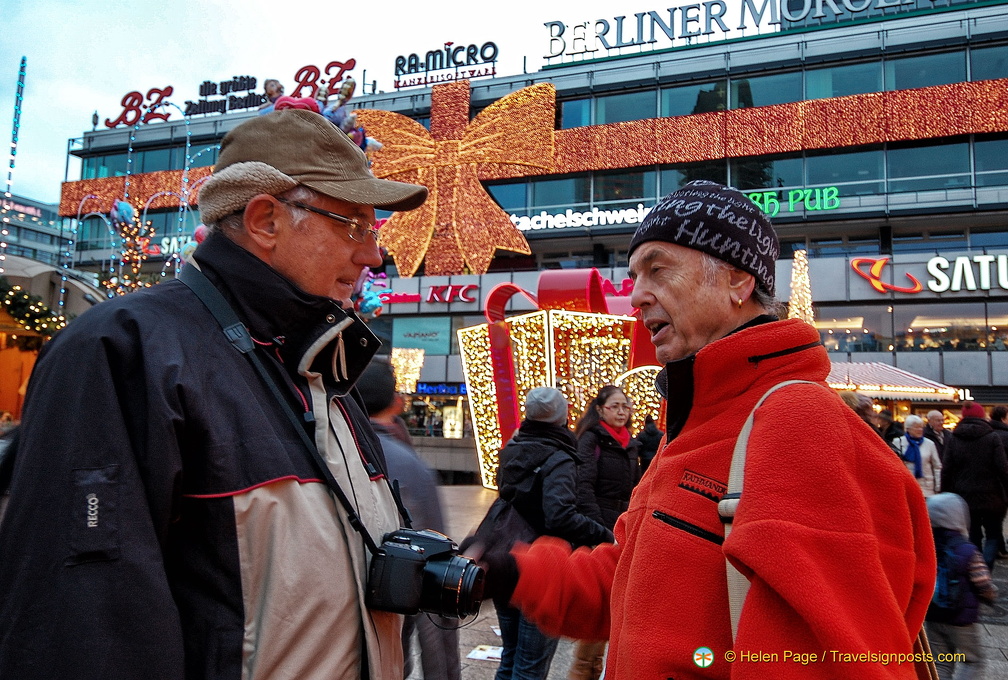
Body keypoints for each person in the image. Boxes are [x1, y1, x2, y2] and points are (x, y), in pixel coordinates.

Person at [0, 108, 429, 679]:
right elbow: (79, 627)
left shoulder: (320, 366)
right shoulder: (124, 350)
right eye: (353, 224)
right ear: (265, 220)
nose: (373, 254)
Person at [478, 180, 935, 679]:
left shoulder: (800, 424)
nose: (635, 296)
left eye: (657, 270)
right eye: (634, 277)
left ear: (737, 282)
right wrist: (512, 571)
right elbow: (631, 582)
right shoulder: (695, 426)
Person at [494, 387, 612, 680]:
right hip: (541, 563)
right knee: (530, 666)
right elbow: (560, 514)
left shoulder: (512, 446)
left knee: (509, 657)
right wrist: (603, 534)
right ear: (562, 415)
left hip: (506, 557)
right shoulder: (559, 456)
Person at [357, 358, 461, 680]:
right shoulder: (409, 466)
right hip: (387, 641)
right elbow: (435, 580)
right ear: (395, 402)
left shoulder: (320, 452)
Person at [568, 385, 641, 680]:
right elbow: (583, 487)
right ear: (600, 410)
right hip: (600, 533)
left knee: (611, 614)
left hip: (622, 530)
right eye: (615, 406)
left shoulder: (630, 444)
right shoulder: (591, 439)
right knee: (598, 615)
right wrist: (600, 530)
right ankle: (584, 672)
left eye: (626, 406)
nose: (622, 411)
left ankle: (593, 668)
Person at [924, 493, 997, 680]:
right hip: (961, 620)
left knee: (941, 662)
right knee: (972, 661)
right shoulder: (967, 550)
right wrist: (990, 595)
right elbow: (982, 582)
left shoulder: (927, 547)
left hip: (933, 617)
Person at [942, 401, 1008, 573]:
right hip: (992, 496)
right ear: (981, 416)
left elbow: (947, 469)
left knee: (973, 536)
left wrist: (945, 493)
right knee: (993, 535)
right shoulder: (991, 437)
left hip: (964, 497)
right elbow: (1003, 468)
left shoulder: (954, 437)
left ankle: (976, 572)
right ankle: (986, 571)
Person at [894, 414, 943, 497]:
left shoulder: (929, 444)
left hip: (926, 488)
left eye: (921, 427)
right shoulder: (898, 442)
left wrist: (938, 487)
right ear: (908, 429)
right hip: (906, 486)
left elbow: (937, 467)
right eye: (916, 427)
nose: (920, 430)